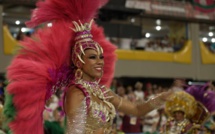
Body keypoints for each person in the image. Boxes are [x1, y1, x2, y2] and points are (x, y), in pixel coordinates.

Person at [3, 0, 173, 134]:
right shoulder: (77, 92)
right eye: (92, 57)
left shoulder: (102, 92)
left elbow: (136, 110)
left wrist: (161, 99)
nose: (100, 61)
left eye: (101, 57)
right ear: (79, 61)